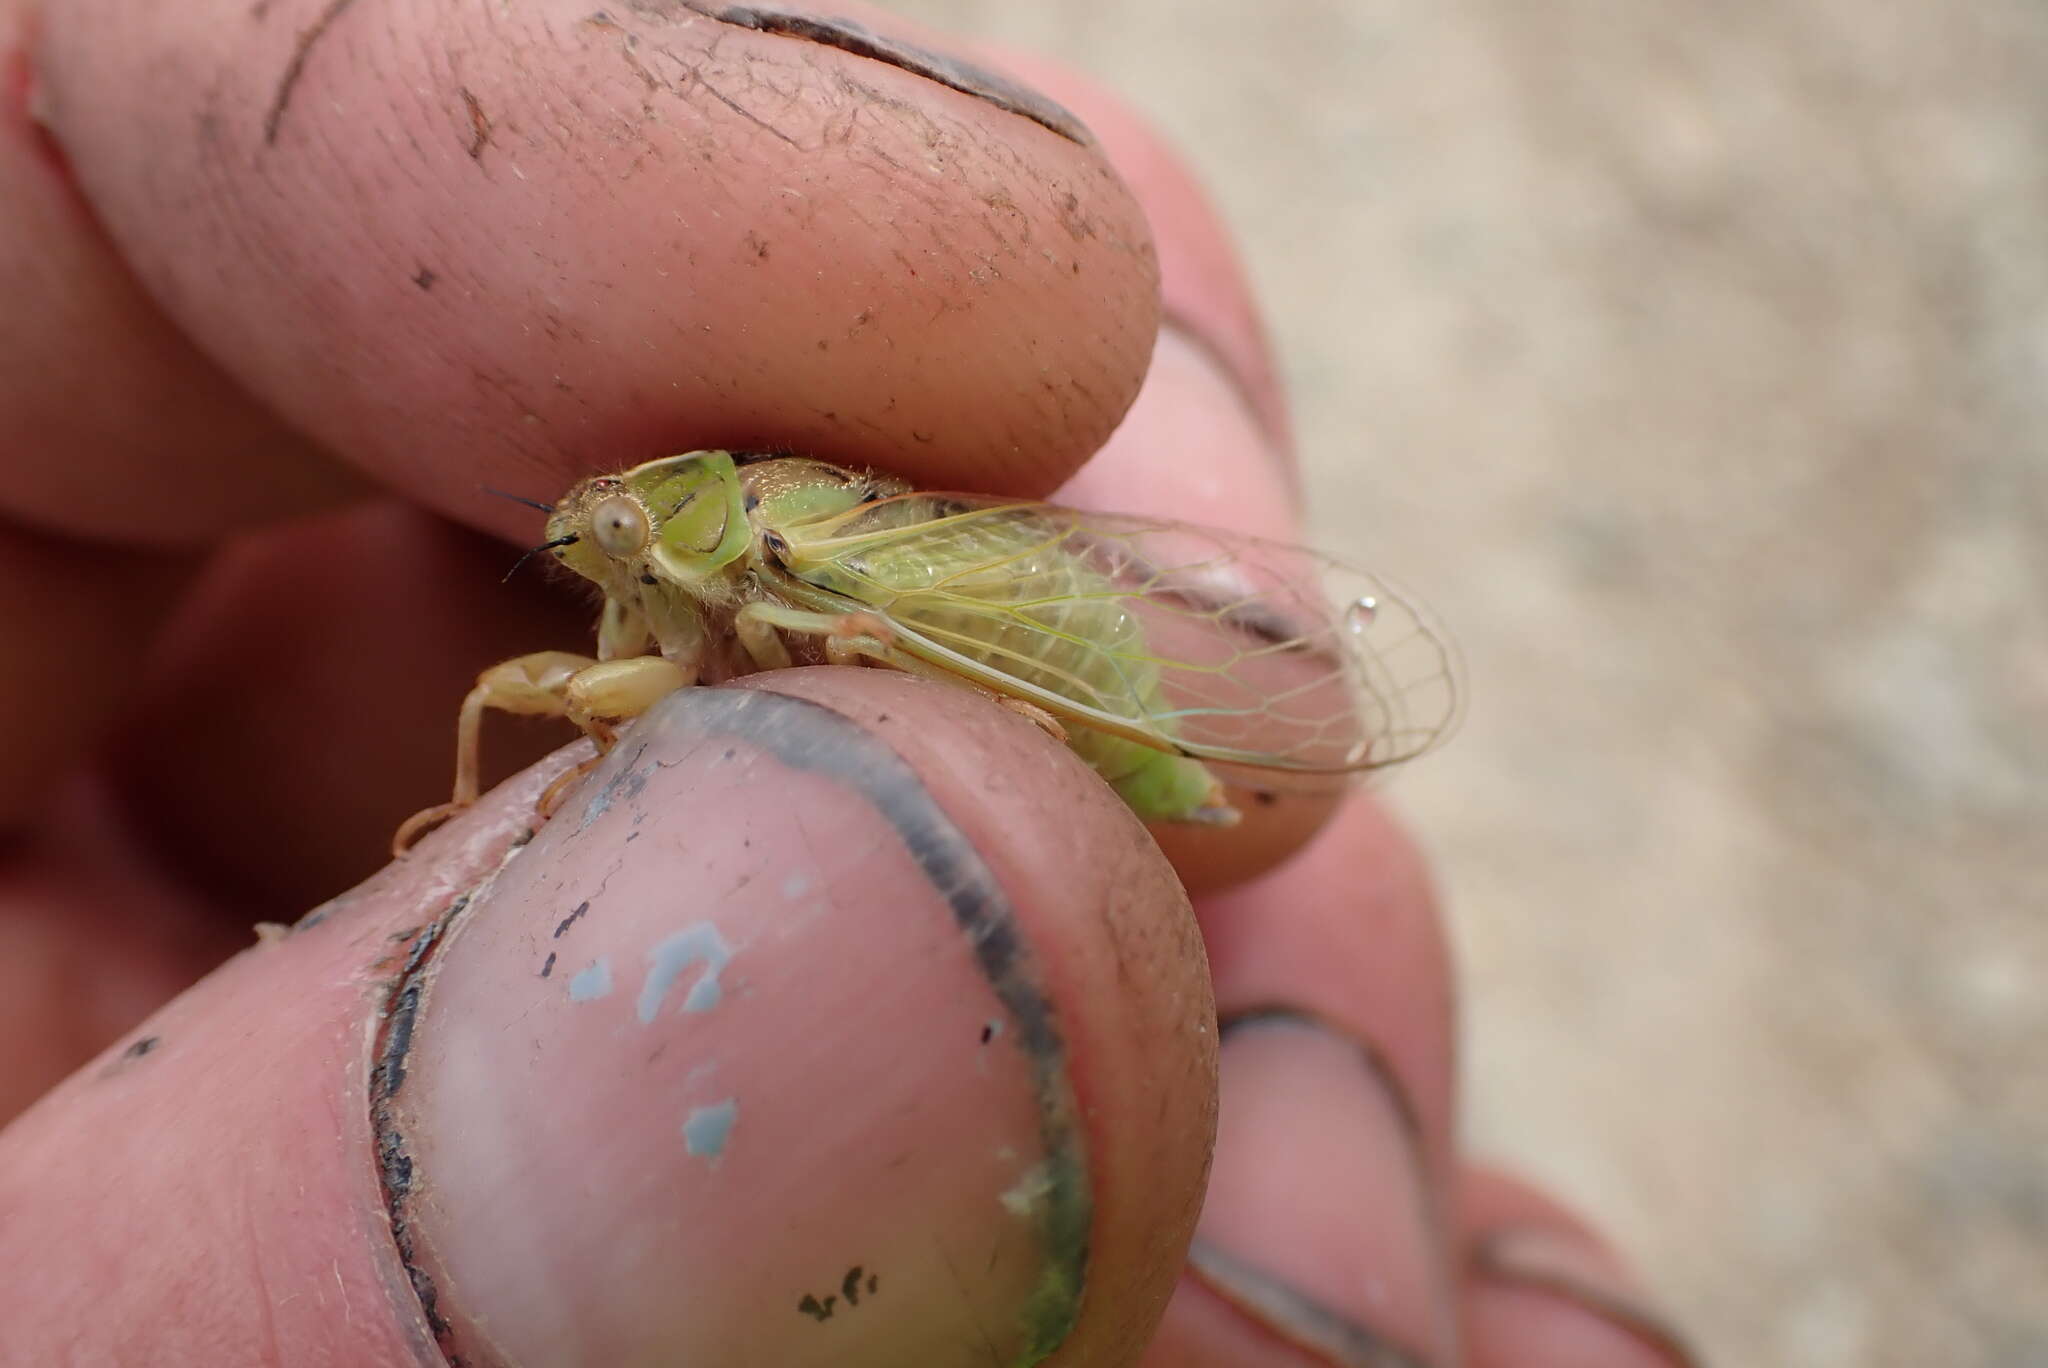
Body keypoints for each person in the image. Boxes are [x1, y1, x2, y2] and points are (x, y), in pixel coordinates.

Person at [0, 2, 1695, 1362]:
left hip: (936, 614)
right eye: (591, 547)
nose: (592, 565)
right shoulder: (642, 587)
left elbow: (824, 659)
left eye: (612, 547)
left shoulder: (762, 563)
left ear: (664, 545)